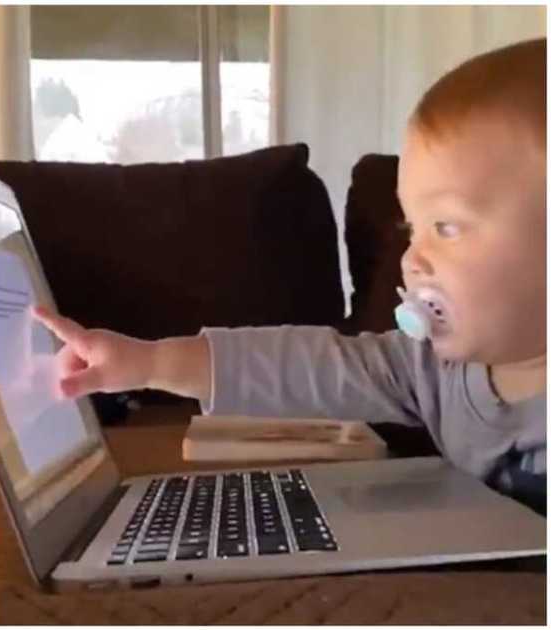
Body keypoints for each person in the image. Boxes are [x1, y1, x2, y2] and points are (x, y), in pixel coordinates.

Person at [31, 39, 546, 514]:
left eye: (447, 226)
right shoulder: (431, 371)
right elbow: (305, 366)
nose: (413, 259)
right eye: (411, 228)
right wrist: (147, 361)